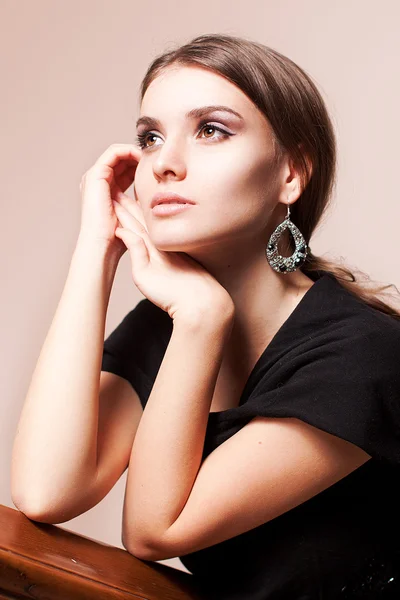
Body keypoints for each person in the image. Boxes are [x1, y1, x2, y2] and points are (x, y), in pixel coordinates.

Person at [11, 33, 400, 600]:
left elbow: (154, 531)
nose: (165, 164)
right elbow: (48, 491)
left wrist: (201, 319)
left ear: (291, 172)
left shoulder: (363, 354)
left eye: (211, 130)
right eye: (149, 138)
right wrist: (96, 250)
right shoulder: (165, 324)